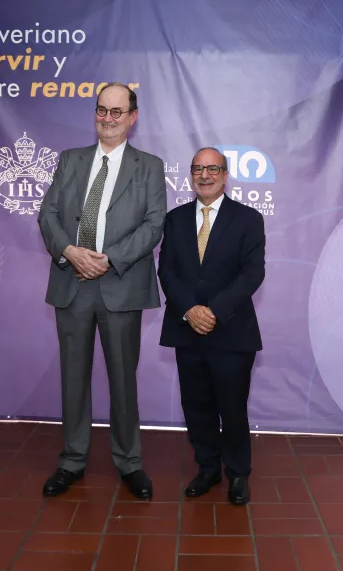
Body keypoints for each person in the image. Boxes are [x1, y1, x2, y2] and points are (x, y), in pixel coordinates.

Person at [37, 82, 166, 500]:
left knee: (123, 381)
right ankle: (72, 460)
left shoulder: (149, 166)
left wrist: (108, 259)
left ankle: (130, 463)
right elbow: (48, 213)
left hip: (120, 286)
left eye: (116, 111)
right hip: (72, 283)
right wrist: (70, 251)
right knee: (73, 378)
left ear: (132, 117)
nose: (107, 119)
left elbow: (154, 224)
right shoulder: (70, 160)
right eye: (101, 110)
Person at [158, 147, 265, 505]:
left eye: (213, 169)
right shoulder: (174, 219)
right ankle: (207, 468)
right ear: (191, 174)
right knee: (196, 405)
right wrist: (189, 309)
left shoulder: (248, 219)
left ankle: (238, 473)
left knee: (232, 407)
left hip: (232, 331)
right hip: (186, 328)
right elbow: (166, 270)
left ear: (225, 175)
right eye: (198, 169)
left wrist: (214, 311)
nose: (205, 176)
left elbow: (253, 272)